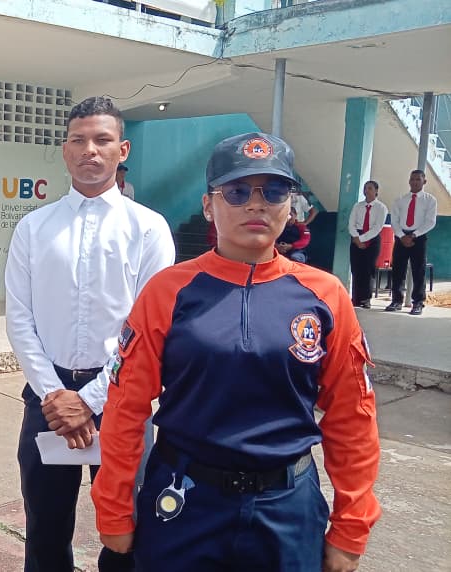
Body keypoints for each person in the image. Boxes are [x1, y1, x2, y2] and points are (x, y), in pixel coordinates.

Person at [93, 132, 381, 572]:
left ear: (292, 204)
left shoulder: (325, 296)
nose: (256, 204)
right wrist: (114, 507)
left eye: (275, 190)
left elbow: (352, 418)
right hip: (185, 501)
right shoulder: (168, 291)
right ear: (209, 204)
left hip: (287, 507)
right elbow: (126, 407)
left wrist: (351, 525)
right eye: (237, 191)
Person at [6, 96, 175, 572]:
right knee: (44, 526)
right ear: (65, 151)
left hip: (122, 398)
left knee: (125, 531)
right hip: (47, 399)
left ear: (123, 150)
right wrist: (57, 395)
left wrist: (93, 399)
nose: (90, 151)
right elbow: (20, 319)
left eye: (102, 140)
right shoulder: (35, 228)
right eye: (78, 140)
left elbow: (149, 329)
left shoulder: (148, 229)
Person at [385, 169, 437, 316]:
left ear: (424, 181)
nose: (414, 182)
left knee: (418, 270)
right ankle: (396, 300)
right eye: (412, 179)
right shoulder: (400, 199)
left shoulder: (430, 200)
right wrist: (402, 236)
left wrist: (414, 235)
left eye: (418, 180)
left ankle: (418, 302)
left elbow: (430, 221)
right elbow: (394, 220)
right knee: (398, 270)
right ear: (409, 181)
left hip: (418, 237)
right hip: (401, 236)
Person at [348, 180, 388, 309]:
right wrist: (356, 238)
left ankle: (366, 298)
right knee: (356, 268)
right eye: (365, 188)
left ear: (376, 191)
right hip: (356, 237)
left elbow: (377, 227)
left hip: (372, 238)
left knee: (368, 269)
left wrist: (363, 239)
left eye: (370, 188)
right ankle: (356, 298)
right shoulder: (357, 206)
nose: (367, 191)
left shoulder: (381, 208)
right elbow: (351, 223)